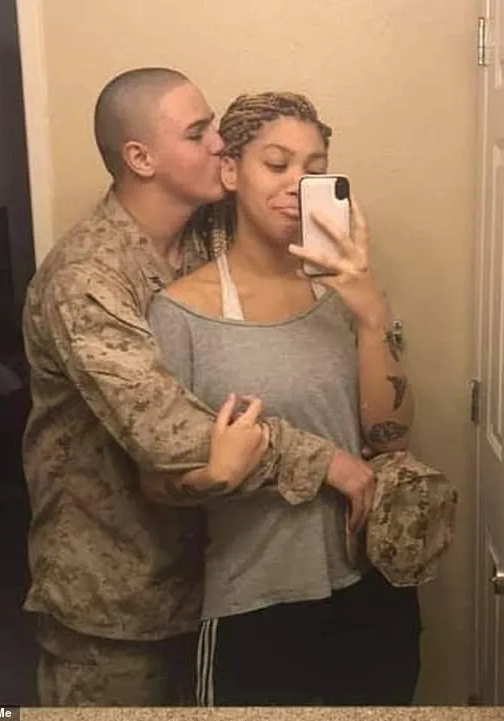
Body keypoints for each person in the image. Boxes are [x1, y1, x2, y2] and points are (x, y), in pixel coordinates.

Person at [22, 68, 375, 706]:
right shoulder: (86, 278)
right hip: (114, 593)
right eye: (198, 133)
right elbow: (167, 430)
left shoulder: (200, 241)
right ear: (140, 158)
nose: (219, 143)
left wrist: (358, 292)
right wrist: (331, 463)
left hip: (208, 576)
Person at [148, 91, 422, 706]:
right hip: (256, 598)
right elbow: (157, 480)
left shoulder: (343, 295)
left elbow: (391, 438)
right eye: (276, 164)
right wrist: (214, 474)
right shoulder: (181, 313)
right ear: (229, 171)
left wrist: (372, 320)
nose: (297, 184)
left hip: (373, 587)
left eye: (314, 168)